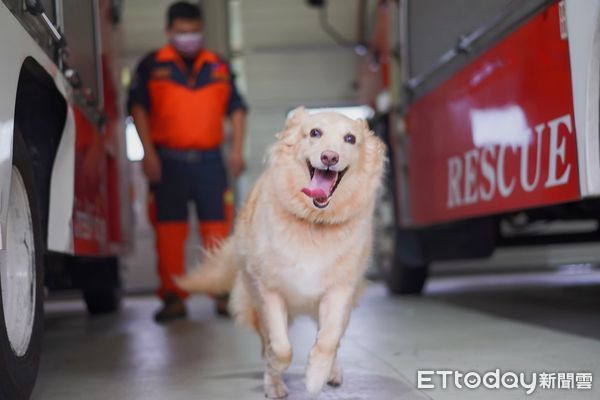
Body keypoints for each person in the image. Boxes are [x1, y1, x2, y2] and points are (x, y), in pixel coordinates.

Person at [127, 1, 247, 323]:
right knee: (169, 233)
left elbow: (237, 108)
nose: (189, 38)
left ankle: (222, 293)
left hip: (211, 162)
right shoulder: (152, 66)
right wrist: (147, 154)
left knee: (217, 230)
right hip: (168, 162)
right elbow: (137, 109)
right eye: (182, 32)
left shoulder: (218, 67)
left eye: (194, 32)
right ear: (169, 31)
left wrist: (237, 151)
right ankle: (172, 297)